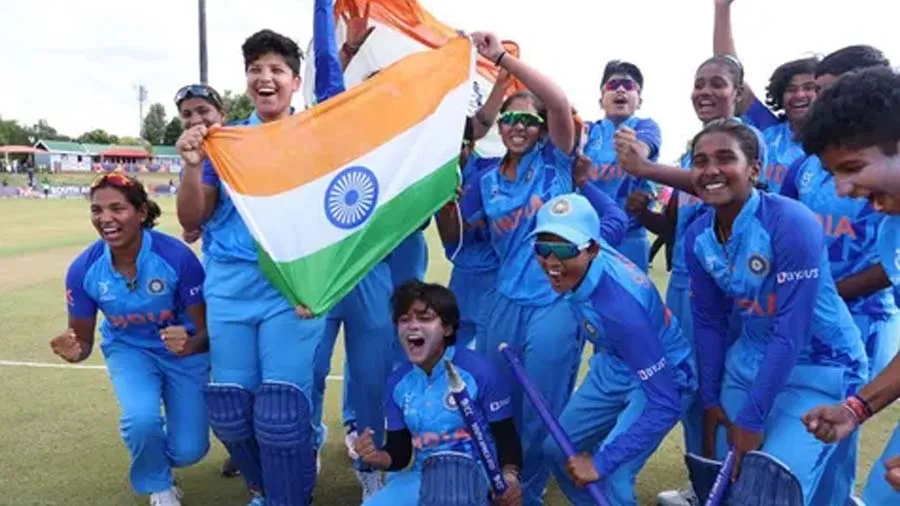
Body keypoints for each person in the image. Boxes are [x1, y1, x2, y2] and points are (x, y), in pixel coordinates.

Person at [458, 30, 627, 504]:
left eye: (528, 120)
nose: (518, 127)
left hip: (555, 302)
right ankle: (499, 482)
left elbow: (557, 101)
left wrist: (503, 59)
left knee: (541, 405)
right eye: (510, 118)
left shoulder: (556, 161)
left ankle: (528, 490)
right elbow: (462, 235)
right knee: (497, 399)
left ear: (541, 128)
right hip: (502, 300)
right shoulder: (487, 180)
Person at [175, 29, 329, 506]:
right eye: (255, 69)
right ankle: (265, 487)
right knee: (231, 410)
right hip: (229, 289)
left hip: (292, 291)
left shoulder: (319, 137)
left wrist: (319, 285)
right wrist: (192, 165)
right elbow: (192, 219)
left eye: (276, 69)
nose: (265, 77)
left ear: (295, 81)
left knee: (282, 409)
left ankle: (289, 494)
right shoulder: (226, 142)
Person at [684, 119, 867, 505]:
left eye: (725, 158)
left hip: (820, 369)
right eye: (700, 161)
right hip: (747, 365)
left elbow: (792, 330)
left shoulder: (791, 221)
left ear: (754, 169)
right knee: (736, 487)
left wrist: (751, 418)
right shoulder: (698, 235)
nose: (711, 170)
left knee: (774, 488)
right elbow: (709, 321)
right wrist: (711, 398)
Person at [621, 53, 765, 506]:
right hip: (684, 282)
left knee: (724, 387)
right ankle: (704, 481)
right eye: (699, 83)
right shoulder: (694, 150)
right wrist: (646, 214)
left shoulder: (746, 142)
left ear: (738, 92)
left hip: (727, 288)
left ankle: (729, 486)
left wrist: (647, 168)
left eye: (717, 83)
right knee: (692, 386)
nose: (705, 91)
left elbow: (728, 192)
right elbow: (676, 226)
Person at [52, 171, 210, 506]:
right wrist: (74, 349)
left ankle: (158, 461)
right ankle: (159, 485)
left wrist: (191, 342)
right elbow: (83, 343)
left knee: (190, 450)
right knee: (141, 419)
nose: (105, 218)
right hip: (129, 350)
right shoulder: (83, 270)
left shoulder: (176, 257)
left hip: (184, 354)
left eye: (117, 208)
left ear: (141, 212)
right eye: (97, 210)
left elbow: (208, 331)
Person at [527, 193, 695, 505]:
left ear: (592, 249)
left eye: (564, 249)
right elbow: (612, 212)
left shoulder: (620, 310)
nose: (551, 261)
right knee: (558, 449)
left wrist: (601, 463)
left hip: (664, 375)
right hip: (614, 363)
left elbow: (665, 402)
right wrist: (584, 182)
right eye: (542, 248)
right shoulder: (588, 251)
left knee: (613, 474)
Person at [797, 64, 900, 505]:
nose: (842, 189)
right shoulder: (892, 231)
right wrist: (856, 408)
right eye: (832, 173)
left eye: (853, 167)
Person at [353, 280, 523, 506]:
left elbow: (506, 437)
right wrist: (377, 457)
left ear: (447, 328)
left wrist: (509, 478)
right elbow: (400, 453)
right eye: (404, 319)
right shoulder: (397, 383)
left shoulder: (479, 371)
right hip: (422, 476)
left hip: (477, 476)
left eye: (425, 318)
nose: (412, 326)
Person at [711, 0, 819, 193]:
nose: (799, 95)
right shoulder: (767, 130)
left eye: (809, 88)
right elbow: (729, 70)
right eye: (791, 89)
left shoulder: (841, 142)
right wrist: (721, 8)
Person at [581, 60, 662, 271]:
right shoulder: (586, 131)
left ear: (639, 101)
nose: (620, 89)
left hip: (630, 238)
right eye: (612, 85)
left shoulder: (645, 126)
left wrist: (636, 148)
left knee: (629, 292)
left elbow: (645, 147)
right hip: (586, 235)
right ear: (601, 100)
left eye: (629, 85)